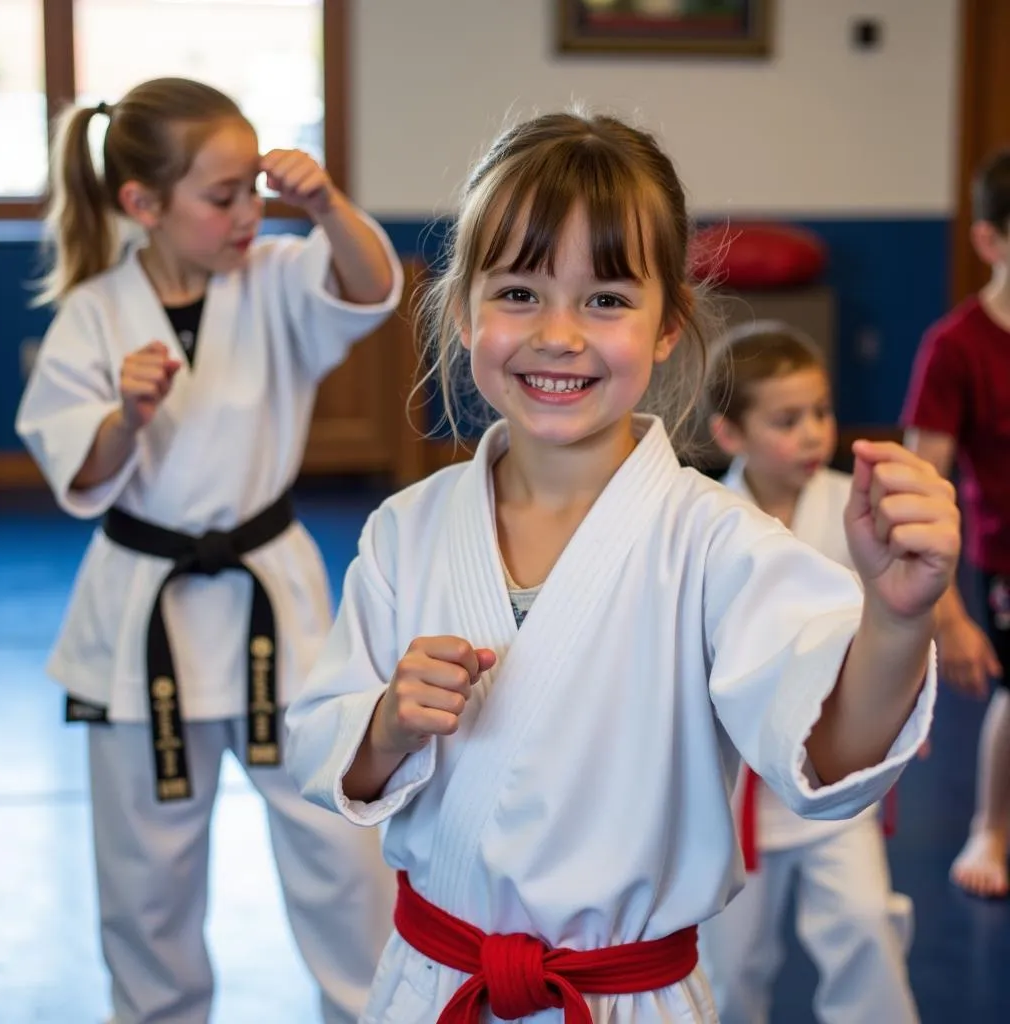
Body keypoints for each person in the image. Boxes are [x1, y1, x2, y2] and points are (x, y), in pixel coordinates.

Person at [285, 110, 955, 1024]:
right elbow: (320, 742)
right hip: (436, 983)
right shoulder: (407, 529)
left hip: (626, 997)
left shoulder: (719, 543)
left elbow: (828, 747)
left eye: (605, 300)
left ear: (670, 325)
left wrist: (898, 618)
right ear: (462, 307)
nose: (558, 334)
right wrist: (386, 729)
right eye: (518, 292)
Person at [16, 77, 400, 1024]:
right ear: (143, 204)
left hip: (277, 601)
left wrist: (326, 205)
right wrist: (126, 416)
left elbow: (369, 289)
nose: (247, 213)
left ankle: (372, 1009)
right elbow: (78, 467)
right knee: (148, 876)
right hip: (144, 610)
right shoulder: (95, 317)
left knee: (341, 849)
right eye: (221, 195)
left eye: (253, 190)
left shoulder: (275, 275)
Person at [698, 322, 918, 1024]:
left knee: (864, 926)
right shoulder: (709, 525)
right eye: (786, 420)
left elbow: (897, 615)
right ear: (729, 435)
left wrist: (900, 698)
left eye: (820, 412)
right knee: (731, 965)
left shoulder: (857, 510)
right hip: (737, 796)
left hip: (835, 774)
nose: (812, 433)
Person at [902, 149, 1010, 900]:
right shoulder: (957, 346)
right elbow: (922, 484)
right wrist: (947, 613)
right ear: (989, 240)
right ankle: (992, 827)